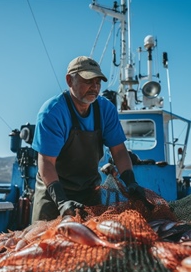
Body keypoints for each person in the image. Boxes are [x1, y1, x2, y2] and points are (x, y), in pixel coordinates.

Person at [31, 56, 153, 222]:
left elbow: (119, 151)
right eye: (88, 80)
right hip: (53, 193)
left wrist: (131, 182)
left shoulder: (105, 109)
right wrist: (62, 202)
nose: (94, 87)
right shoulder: (52, 112)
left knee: (90, 243)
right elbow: (46, 162)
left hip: (89, 192)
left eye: (98, 82)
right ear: (69, 80)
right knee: (46, 242)